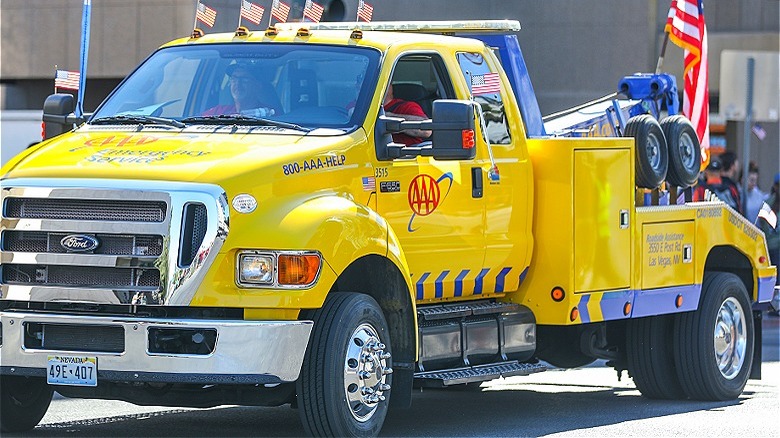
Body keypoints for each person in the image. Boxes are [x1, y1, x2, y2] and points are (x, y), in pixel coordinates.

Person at [203, 63, 281, 117]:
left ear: (257, 85)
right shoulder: (218, 112)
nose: (238, 83)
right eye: (234, 78)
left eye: (244, 79)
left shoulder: (270, 114)